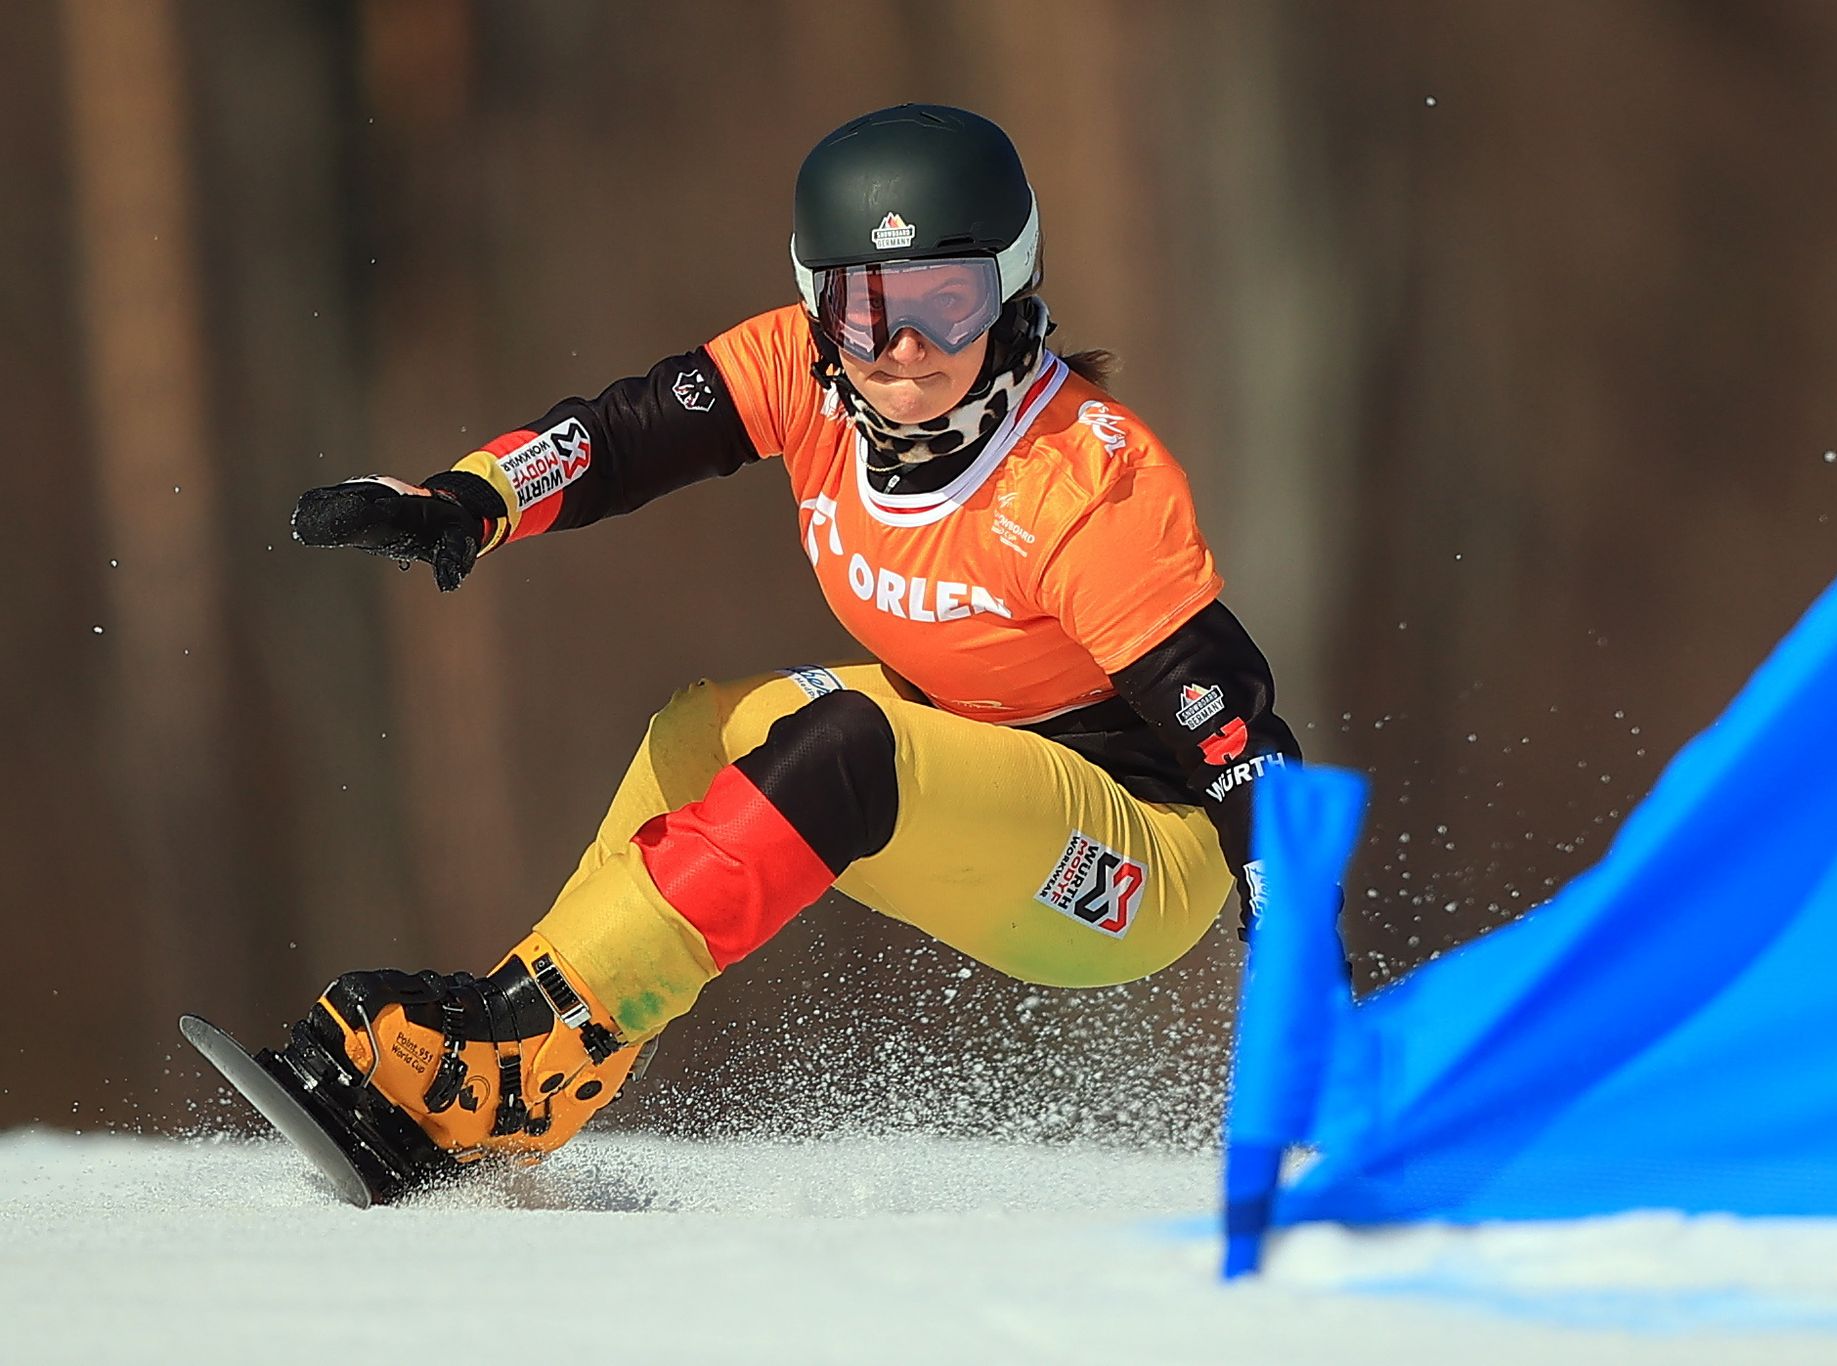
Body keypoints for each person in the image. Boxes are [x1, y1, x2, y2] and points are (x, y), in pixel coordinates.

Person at [281, 103, 1301, 1192]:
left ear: (1009, 292)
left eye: (945, 308)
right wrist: (469, 500)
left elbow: (1235, 727)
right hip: (967, 747)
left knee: (843, 746)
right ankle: (524, 1067)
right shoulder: (800, 374)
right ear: (818, 308)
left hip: (1133, 854)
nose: (903, 352)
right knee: (703, 730)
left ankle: (519, 1044)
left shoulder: (1078, 475)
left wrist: (1293, 941)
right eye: (866, 311)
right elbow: (618, 438)